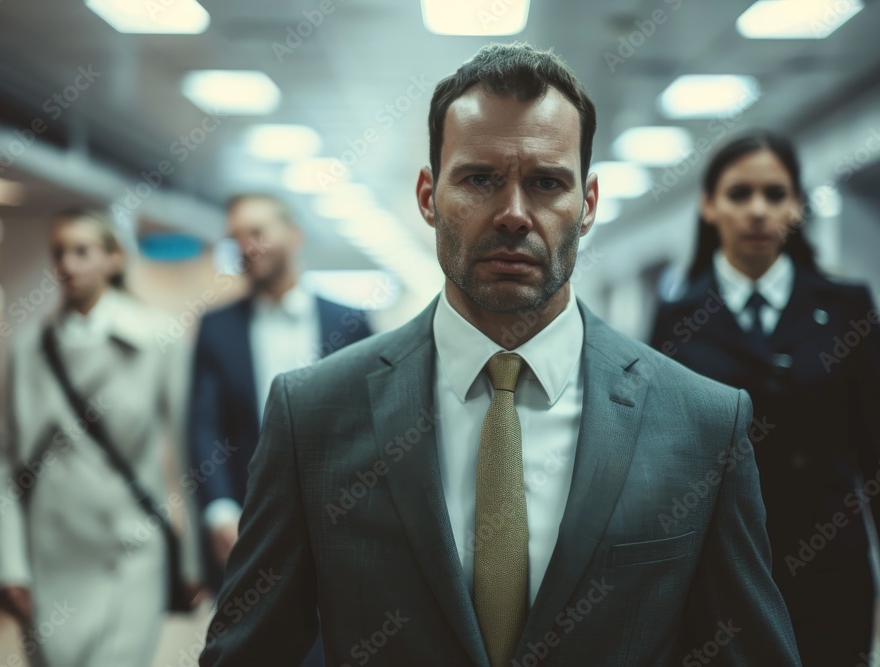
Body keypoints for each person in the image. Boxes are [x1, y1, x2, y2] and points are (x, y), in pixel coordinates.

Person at [199, 43, 800, 666]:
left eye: (545, 183)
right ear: (429, 196)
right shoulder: (314, 416)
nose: (513, 214)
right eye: (480, 179)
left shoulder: (701, 424)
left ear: (587, 204)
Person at [650, 132, 880, 666]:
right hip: (718, 578)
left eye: (775, 194)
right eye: (739, 194)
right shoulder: (678, 321)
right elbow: (660, 467)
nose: (758, 210)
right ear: (710, 206)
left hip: (828, 573)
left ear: (798, 206)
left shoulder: (845, 308)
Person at [0, 209, 201, 667]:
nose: (67, 264)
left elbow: (189, 454)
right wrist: (10, 565)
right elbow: (5, 464)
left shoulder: (157, 339)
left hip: (131, 551)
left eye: (82, 251)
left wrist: (192, 561)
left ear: (115, 259)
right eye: (59, 252)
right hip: (49, 556)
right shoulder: (30, 347)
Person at [189, 194, 372, 665]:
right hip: (249, 529)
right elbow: (205, 424)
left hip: (340, 523)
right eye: (236, 238)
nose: (246, 246)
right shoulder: (217, 328)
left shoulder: (350, 322)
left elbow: (373, 425)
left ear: (293, 234)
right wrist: (219, 509)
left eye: (257, 232)